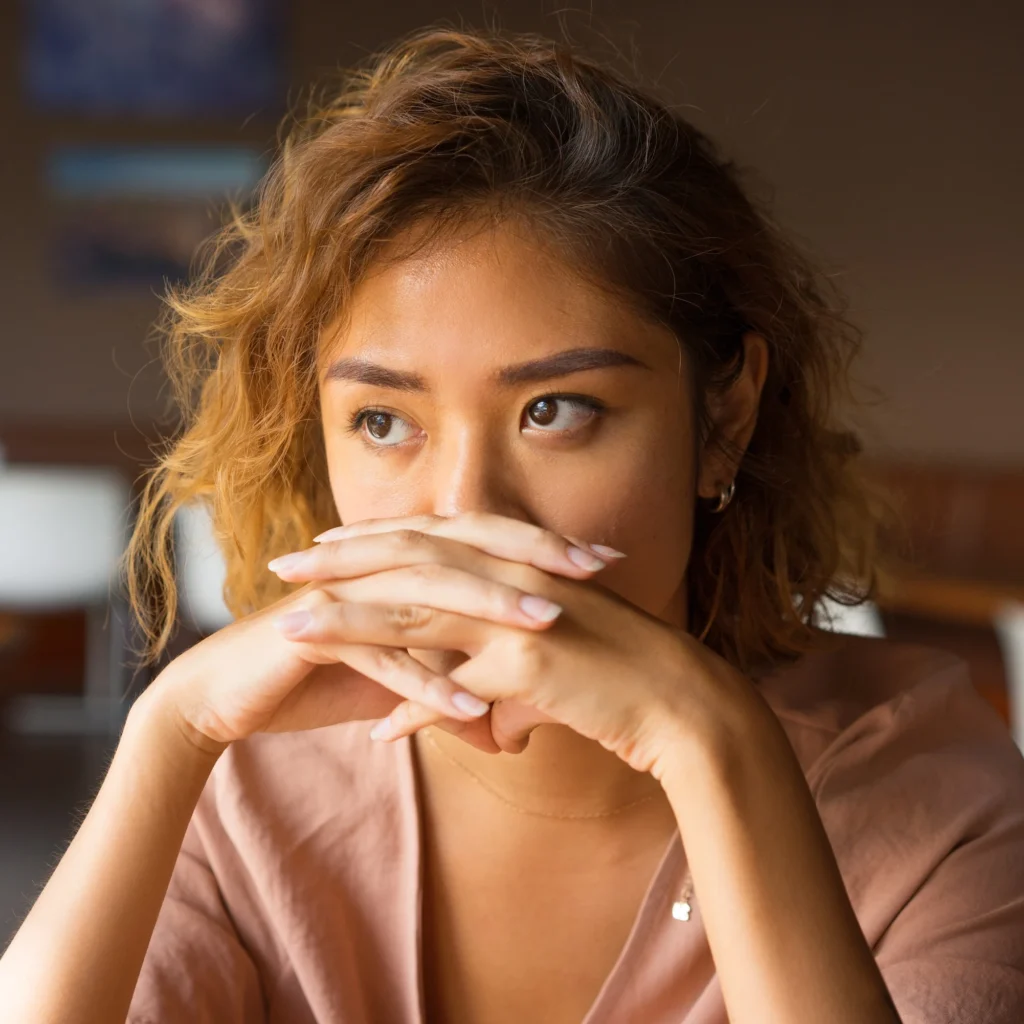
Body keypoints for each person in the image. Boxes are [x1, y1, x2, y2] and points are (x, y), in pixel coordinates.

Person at [2, 24, 1022, 1024]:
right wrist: (166, 732)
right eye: (384, 421)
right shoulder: (243, 782)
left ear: (723, 419)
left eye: (555, 411)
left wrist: (712, 741)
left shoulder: (933, 793)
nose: (464, 511)